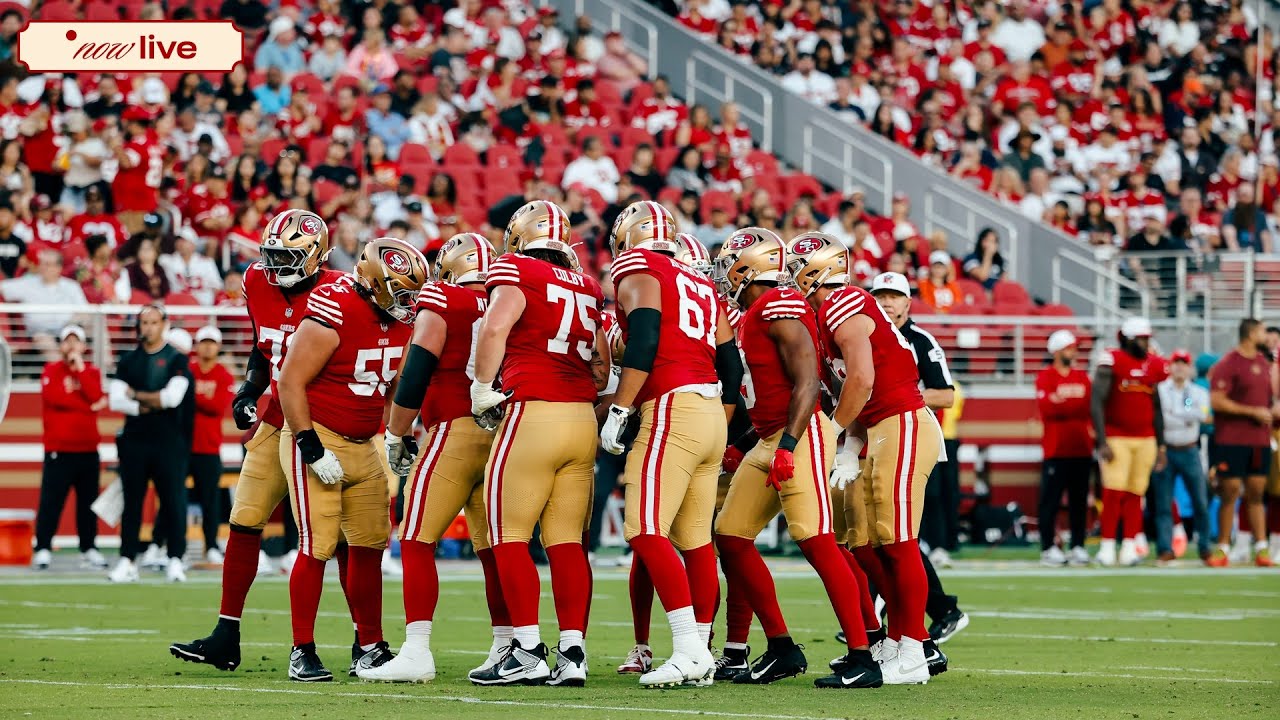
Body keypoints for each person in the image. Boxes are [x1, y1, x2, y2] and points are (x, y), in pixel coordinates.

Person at [169, 209, 345, 673]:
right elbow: (263, 345)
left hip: (330, 420)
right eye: (271, 255)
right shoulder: (255, 280)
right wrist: (249, 389)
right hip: (277, 417)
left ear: (315, 256)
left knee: (342, 536)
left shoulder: (341, 291)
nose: (274, 265)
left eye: (287, 257)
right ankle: (226, 634)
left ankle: (365, 642)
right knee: (244, 519)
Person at [711, 228, 874, 687]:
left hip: (797, 436)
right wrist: (746, 444)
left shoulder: (778, 304)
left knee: (816, 541)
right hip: (770, 438)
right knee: (731, 536)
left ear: (747, 267)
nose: (724, 273)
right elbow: (770, 393)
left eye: (729, 263)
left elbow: (807, 381)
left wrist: (787, 445)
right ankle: (782, 647)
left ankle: (864, 653)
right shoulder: (756, 312)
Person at [788, 235, 947, 687]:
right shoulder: (827, 314)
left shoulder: (845, 301)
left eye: (796, 268)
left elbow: (862, 379)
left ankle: (914, 651)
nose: (790, 278)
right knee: (880, 545)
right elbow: (858, 393)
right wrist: (850, 446)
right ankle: (896, 643)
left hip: (904, 422)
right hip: (881, 428)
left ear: (815, 270)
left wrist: (832, 430)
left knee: (899, 543)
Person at [598, 203, 743, 687]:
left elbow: (645, 338)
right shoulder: (699, 281)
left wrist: (621, 408)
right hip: (710, 410)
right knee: (697, 540)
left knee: (644, 529)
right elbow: (731, 366)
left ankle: (687, 648)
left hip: (671, 407)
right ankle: (700, 650)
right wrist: (715, 418)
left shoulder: (639, 266)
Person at [358, 233, 510, 684]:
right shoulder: (506, 298)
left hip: (454, 429)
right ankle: (508, 644)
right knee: (492, 547)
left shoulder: (443, 298)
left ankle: (416, 649)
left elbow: (416, 371)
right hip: (501, 431)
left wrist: (397, 431)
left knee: (416, 538)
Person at [275, 237, 428, 682]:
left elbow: (395, 387)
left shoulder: (400, 321)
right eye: (402, 293)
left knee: (370, 545)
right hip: (317, 433)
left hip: (364, 443)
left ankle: (369, 646)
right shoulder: (335, 306)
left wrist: (399, 434)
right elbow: (289, 382)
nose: (409, 304)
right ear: (376, 283)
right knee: (318, 544)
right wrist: (309, 446)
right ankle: (302, 649)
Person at [468, 200, 607, 687]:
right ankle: (573, 652)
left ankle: (526, 650)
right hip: (581, 418)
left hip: (534, 411)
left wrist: (482, 386)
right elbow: (602, 364)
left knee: (508, 534)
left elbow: (496, 326)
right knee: (566, 541)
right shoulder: (588, 285)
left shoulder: (515, 268)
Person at [869, 271, 967, 650]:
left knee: (895, 532)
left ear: (908, 302)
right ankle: (932, 611)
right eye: (881, 295)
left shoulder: (920, 340)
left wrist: (896, 397)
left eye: (894, 295)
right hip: (875, 438)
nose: (887, 302)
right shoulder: (865, 335)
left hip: (910, 436)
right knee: (881, 531)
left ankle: (885, 617)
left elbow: (945, 395)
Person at [107, 304, 193, 584]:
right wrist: (148, 403)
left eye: (154, 322)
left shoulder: (175, 359)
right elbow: (115, 400)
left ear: (164, 325)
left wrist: (135, 395)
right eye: (145, 322)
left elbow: (172, 398)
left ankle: (175, 558)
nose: (149, 328)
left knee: (173, 501)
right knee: (132, 502)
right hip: (135, 442)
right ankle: (127, 559)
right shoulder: (128, 360)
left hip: (169, 442)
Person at [1092, 317, 1167, 567]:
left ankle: (1129, 546)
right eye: (1142, 339)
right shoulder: (1112, 360)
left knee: (1136, 494)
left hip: (1145, 438)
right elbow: (1097, 401)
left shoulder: (1152, 365)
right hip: (1117, 436)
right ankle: (1107, 546)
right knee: (1113, 492)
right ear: (1128, 339)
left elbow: (1157, 406)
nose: (1146, 343)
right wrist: (1102, 440)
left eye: (1147, 338)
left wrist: (1161, 444)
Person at [33, 324, 107, 571]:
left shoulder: (92, 372)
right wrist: (85, 405)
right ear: (61, 345)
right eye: (67, 341)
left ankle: (89, 548)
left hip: (87, 450)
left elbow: (96, 396)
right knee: (51, 502)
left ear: (84, 346)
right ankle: (43, 547)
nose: (71, 345)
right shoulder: (51, 370)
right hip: (59, 450)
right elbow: (55, 398)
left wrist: (81, 371)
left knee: (88, 504)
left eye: (76, 341)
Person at [1207, 319, 1278, 567]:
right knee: (1230, 492)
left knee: (1257, 493)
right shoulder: (1228, 364)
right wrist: (1252, 412)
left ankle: (1261, 548)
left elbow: (1267, 401)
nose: (1266, 336)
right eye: (1262, 331)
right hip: (1231, 439)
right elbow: (1216, 401)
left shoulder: (1263, 364)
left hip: (1259, 440)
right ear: (1251, 334)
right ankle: (1223, 547)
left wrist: (1271, 411)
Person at [1035, 330, 1093, 566]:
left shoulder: (1082, 376)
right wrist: (1071, 405)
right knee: (1050, 501)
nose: (1074, 352)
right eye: (1069, 348)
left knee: (1079, 502)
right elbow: (1048, 409)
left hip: (1082, 448)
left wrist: (1063, 403)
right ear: (1057, 351)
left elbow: (1087, 405)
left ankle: (1078, 545)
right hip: (1056, 450)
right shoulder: (1045, 376)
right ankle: (1048, 547)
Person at [1154, 350, 1212, 564]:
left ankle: (1205, 546)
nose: (1179, 367)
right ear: (1170, 366)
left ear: (1189, 367)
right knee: (1163, 503)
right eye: (1176, 362)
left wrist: (1175, 415)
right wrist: (1185, 417)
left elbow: (1203, 415)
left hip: (1189, 449)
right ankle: (1165, 548)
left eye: (1183, 363)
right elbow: (1161, 418)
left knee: (1200, 500)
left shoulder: (1197, 391)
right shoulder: (1160, 389)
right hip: (1165, 449)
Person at [189, 327, 234, 564]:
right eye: (203, 342)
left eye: (212, 342)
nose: (207, 347)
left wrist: (190, 397)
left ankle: (212, 545)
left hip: (208, 447)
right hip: (182, 446)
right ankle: (161, 544)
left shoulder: (223, 375)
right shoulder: (188, 370)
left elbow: (217, 406)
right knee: (171, 497)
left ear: (218, 347)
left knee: (210, 501)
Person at [0, 248, 87, 361]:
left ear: (58, 267)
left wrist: (71, 326)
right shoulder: (27, 283)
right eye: (41, 264)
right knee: (45, 341)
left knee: (80, 337)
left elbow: (85, 311)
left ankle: (106, 368)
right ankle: (61, 369)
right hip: (40, 332)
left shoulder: (71, 286)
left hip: (68, 330)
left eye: (48, 264)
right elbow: (3, 288)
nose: (43, 268)